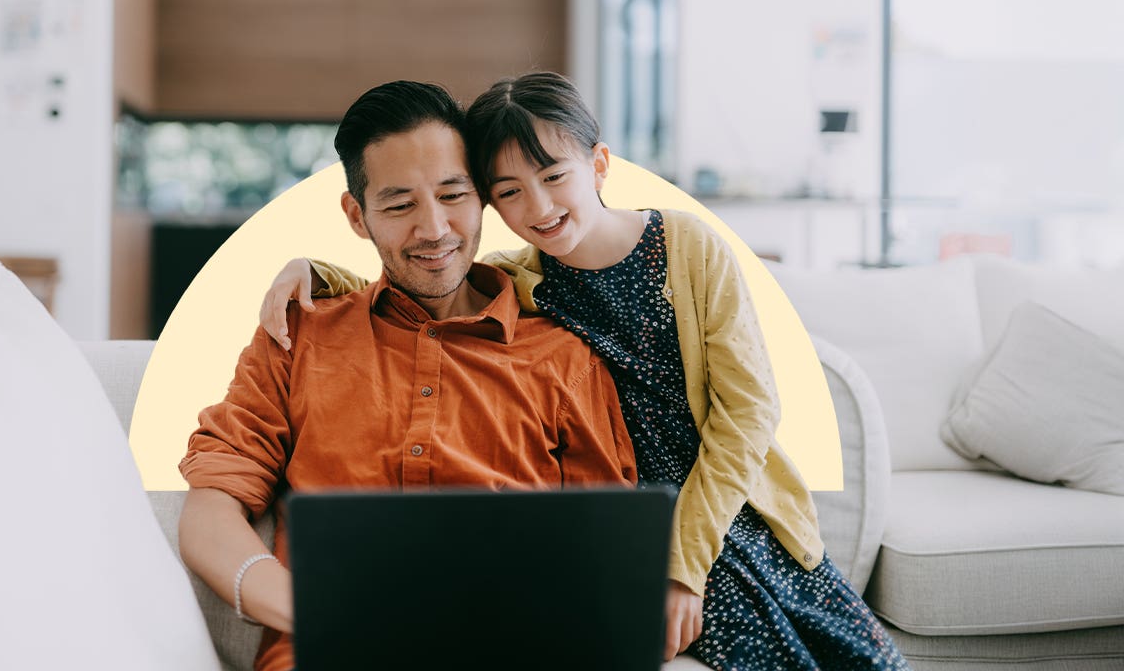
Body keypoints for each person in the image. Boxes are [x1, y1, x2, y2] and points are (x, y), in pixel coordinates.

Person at [260, 72, 910, 670]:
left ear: (598, 165)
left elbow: (750, 413)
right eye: (508, 191)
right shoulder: (528, 275)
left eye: (553, 176)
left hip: (722, 514)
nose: (537, 206)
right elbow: (429, 283)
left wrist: (685, 567)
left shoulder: (687, 245)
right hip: (637, 523)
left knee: (865, 658)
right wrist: (315, 273)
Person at [178, 80, 638, 671]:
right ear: (357, 216)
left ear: (485, 199)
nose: (435, 230)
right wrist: (313, 606)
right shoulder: (299, 337)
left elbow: (606, 548)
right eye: (399, 206)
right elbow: (212, 508)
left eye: (454, 195)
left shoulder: (564, 355)